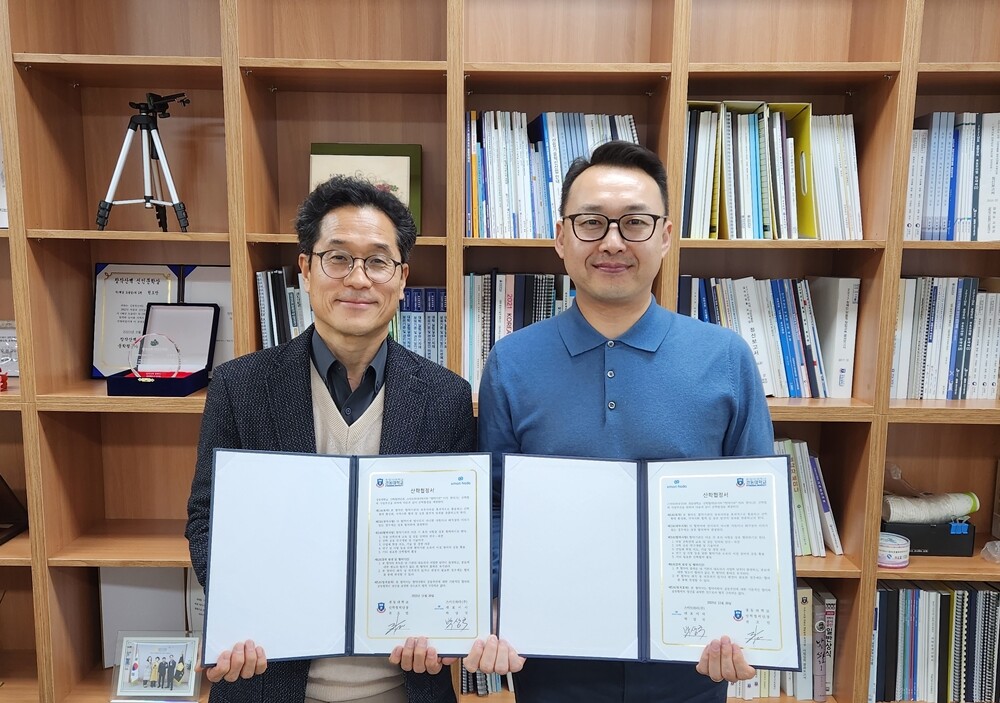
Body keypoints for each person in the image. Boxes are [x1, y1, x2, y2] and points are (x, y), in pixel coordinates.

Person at [466, 141, 774, 702]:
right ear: (561, 239)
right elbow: (492, 503)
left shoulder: (725, 357)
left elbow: (755, 514)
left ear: (665, 236)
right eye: (591, 223)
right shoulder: (512, 361)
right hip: (552, 662)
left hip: (690, 666)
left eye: (634, 222)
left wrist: (752, 624)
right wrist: (493, 602)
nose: (612, 242)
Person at [186, 175, 474, 703]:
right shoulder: (239, 387)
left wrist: (446, 624)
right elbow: (208, 519)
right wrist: (236, 606)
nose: (358, 279)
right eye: (337, 258)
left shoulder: (446, 397)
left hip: (403, 685)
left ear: (402, 277)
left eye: (378, 261)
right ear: (305, 269)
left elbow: (456, 538)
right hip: (269, 679)